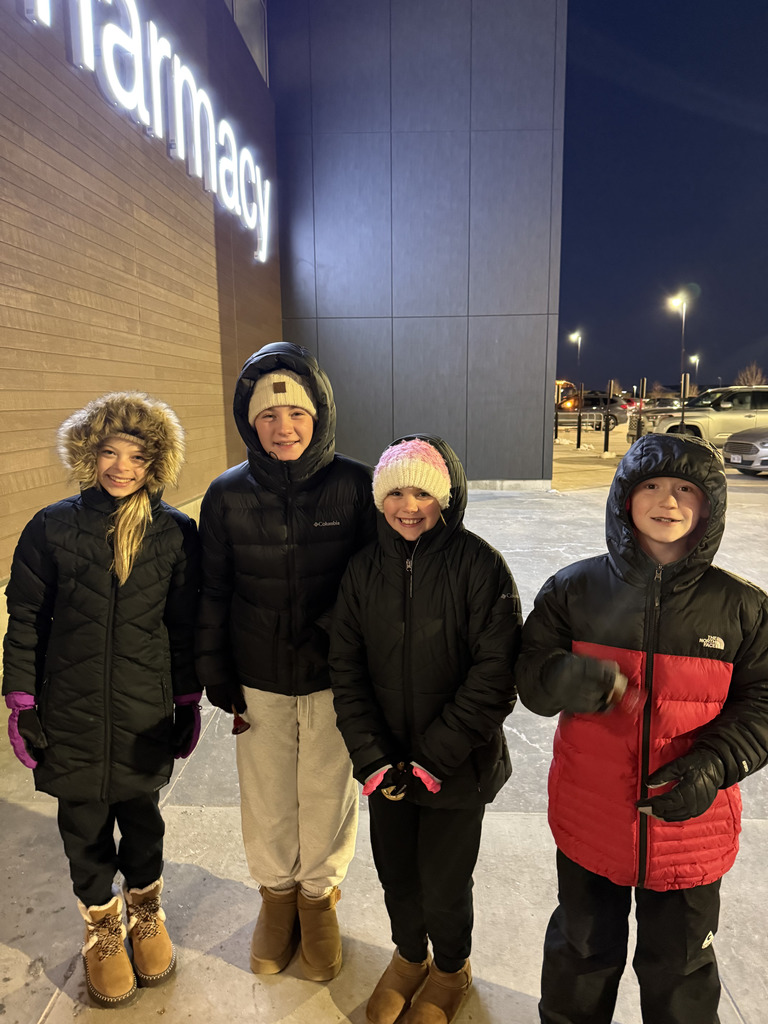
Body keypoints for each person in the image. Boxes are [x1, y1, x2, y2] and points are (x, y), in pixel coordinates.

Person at [515, 432, 768, 1024]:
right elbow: (529, 678)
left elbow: (762, 706)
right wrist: (564, 677)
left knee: (680, 972)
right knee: (580, 954)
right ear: (623, 497)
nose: (668, 502)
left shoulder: (743, 609)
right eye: (650, 485)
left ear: (710, 505)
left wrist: (714, 766)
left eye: (686, 489)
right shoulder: (572, 591)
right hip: (590, 821)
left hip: (690, 833)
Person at [3, 392, 201, 1009]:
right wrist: (22, 700)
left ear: (155, 464)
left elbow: (185, 623)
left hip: (144, 707)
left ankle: (145, 911)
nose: (121, 466)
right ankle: (102, 926)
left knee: (142, 819)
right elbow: (27, 615)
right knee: (83, 825)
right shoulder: (51, 527)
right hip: (70, 711)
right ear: (89, 456)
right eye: (109, 453)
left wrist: (188, 698)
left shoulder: (174, 534)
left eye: (137, 456)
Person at [195, 341, 376, 982]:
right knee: (268, 792)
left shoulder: (356, 486)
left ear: (319, 414)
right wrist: (214, 668)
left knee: (328, 789)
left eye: (296, 413)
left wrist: (349, 649)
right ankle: (276, 896)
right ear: (249, 421)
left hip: (335, 676)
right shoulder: (225, 495)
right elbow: (212, 588)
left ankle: (317, 896)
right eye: (267, 416)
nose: (283, 428)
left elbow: (374, 582)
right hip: (258, 675)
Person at [329, 435, 521, 1024]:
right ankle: (410, 957)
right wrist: (372, 756)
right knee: (397, 873)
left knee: (444, 880)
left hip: (455, 766)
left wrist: (435, 758)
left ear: (447, 499)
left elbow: (495, 675)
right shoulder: (362, 571)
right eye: (395, 493)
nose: (408, 506)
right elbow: (347, 668)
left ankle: (450, 967)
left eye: (422, 493)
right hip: (387, 763)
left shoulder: (480, 567)